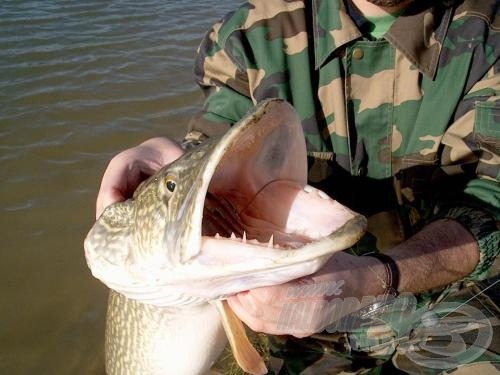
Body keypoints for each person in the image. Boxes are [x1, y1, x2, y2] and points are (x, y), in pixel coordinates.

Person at [96, 0, 499, 372]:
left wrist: (371, 279)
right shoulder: (251, 35)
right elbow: (215, 151)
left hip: (454, 302)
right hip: (299, 333)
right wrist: (169, 153)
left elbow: (493, 202)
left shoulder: (490, 37)